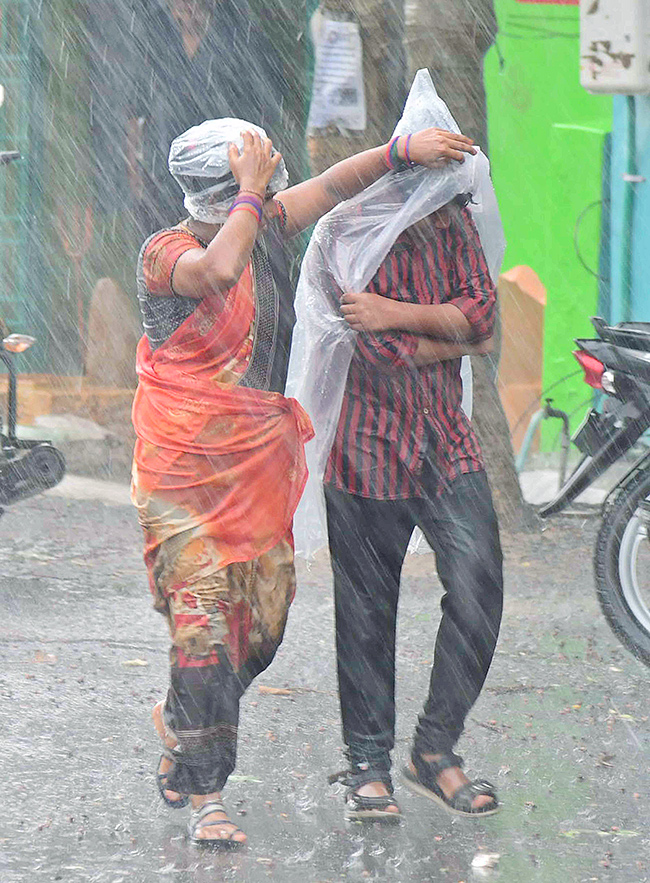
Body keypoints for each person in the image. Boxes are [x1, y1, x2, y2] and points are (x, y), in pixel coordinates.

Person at [130, 118, 477, 846]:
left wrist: (396, 153)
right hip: (183, 482)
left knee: (261, 628)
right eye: (254, 182)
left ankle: (182, 719)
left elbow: (328, 186)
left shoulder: (260, 226)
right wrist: (252, 194)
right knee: (205, 635)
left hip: (255, 471)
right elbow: (218, 271)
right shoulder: (167, 252)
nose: (271, 190)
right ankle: (207, 793)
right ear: (226, 191)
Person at [322, 187, 503, 822]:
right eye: (436, 193)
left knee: (480, 585)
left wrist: (394, 312)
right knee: (369, 609)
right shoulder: (350, 234)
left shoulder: (456, 228)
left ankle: (434, 751)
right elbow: (371, 350)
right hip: (366, 444)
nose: (449, 209)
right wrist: (448, 326)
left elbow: (483, 324)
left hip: (445, 439)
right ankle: (368, 763)